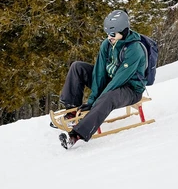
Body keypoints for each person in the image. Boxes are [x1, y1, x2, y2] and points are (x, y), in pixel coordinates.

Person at [58, 9, 147, 149]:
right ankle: (72, 112)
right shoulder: (107, 44)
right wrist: (92, 99)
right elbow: (99, 73)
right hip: (111, 81)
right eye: (107, 33)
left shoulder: (134, 50)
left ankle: (76, 136)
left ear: (123, 31)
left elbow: (119, 80)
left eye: (113, 34)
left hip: (130, 89)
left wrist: (94, 103)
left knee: (108, 97)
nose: (109, 37)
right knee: (77, 67)